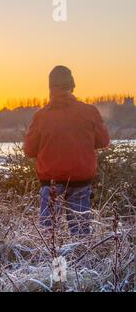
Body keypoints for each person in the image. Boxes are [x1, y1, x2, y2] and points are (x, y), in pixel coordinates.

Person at [24, 66, 110, 236]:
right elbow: (103, 141)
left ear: (50, 88)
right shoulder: (89, 112)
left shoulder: (41, 116)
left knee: (49, 235)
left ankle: (49, 261)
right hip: (81, 179)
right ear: (72, 86)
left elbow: (29, 150)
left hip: (51, 182)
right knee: (80, 233)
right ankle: (82, 259)